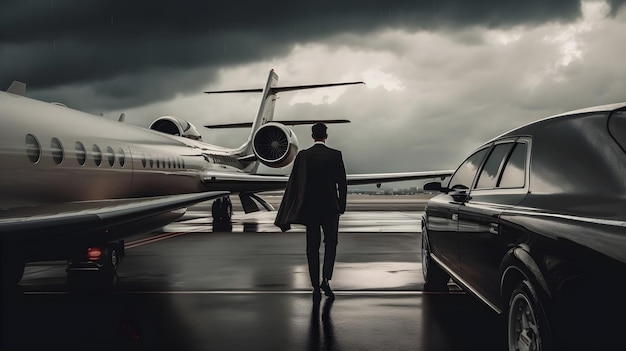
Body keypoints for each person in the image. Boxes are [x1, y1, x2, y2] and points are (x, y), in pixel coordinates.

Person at [275, 123, 347, 299]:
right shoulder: (335, 155)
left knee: (312, 248)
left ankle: (315, 286)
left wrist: (288, 211)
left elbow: (294, 184)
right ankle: (326, 279)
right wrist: (341, 207)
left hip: (311, 210)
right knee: (331, 244)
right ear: (326, 136)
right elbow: (342, 184)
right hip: (330, 209)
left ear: (312, 136)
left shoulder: (303, 156)